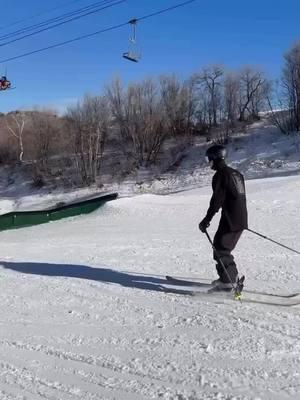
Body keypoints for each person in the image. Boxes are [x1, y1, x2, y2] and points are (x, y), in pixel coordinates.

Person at [199, 144, 248, 289]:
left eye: (209, 159)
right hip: (239, 218)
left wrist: (206, 220)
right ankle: (227, 278)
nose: (208, 162)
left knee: (221, 249)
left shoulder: (220, 175)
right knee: (220, 247)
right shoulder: (236, 173)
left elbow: (217, 201)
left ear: (215, 157)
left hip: (231, 219)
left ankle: (228, 283)